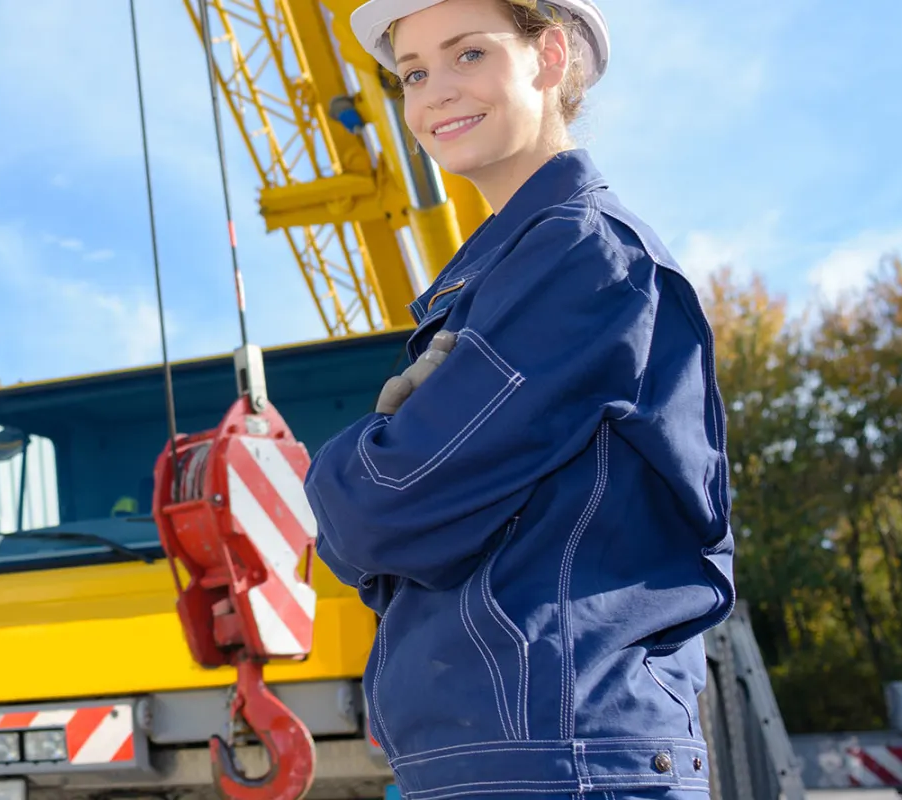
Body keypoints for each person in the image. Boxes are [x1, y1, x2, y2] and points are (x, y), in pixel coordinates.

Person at [302, 1, 737, 798]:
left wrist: (346, 466)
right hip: (525, 751)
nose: (436, 91)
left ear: (550, 56)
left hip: (563, 757)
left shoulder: (582, 258)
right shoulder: (510, 273)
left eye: (469, 53)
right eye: (413, 73)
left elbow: (381, 509)